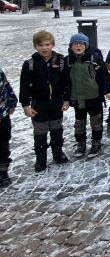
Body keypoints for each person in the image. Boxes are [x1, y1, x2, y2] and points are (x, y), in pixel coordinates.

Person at [19, 31, 70, 172]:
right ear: (35, 46)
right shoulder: (29, 64)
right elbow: (24, 86)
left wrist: (67, 99)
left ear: (52, 45)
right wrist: (25, 105)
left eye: (47, 44)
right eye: (40, 45)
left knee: (56, 129)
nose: (44, 48)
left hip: (56, 102)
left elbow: (66, 82)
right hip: (38, 104)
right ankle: (41, 158)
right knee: (40, 132)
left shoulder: (60, 61)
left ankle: (58, 153)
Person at [65, 33, 110, 159]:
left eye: (81, 44)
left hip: (94, 97)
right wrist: (66, 97)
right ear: (71, 46)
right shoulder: (68, 60)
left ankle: (96, 142)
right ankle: (81, 143)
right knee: (79, 123)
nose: (78, 46)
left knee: (96, 122)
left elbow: (104, 76)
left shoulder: (95, 58)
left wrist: (107, 90)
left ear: (86, 46)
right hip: (77, 98)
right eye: (75, 44)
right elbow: (64, 80)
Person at [0, 64, 17, 187]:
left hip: (2, 113)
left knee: (3, 142)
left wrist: (12, 101)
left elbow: (5, 85)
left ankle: (3, 172)